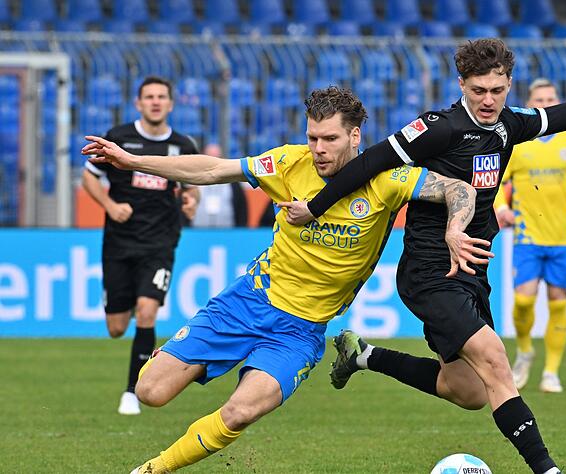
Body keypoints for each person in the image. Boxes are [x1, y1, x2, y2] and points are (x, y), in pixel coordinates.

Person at [278, 38, 566, 473]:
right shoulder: (438, 128)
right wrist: (314, 207)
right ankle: (548, 469)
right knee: (495, 359)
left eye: (497, 91)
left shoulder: (508, 125)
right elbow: (370, 161)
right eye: (478, 90)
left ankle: (364, 356)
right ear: (461, 84)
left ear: (508, 85)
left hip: (472, 270)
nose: (488, 101)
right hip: (430, 271)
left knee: (467, 391)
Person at [82, 86, 484, 474]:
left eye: (329, 138)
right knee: (150, 391)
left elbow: (459, 189)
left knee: (239, 412)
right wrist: (132, 162)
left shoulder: (388, 179)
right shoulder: (290, 163)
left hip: (299, 332)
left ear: (355, 135)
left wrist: (454, 230)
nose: (318, 148)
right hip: (246, 303)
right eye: (312, 137)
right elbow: (212, 168)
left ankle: (152, 470)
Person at [81, 76, 201, 416]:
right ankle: (126, 306)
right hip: (119, 244)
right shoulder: (119, 138)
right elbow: (89, 177)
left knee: (148, 311)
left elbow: (193, 185)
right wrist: (109, 206)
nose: (155, 102)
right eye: (149, 97)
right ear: (138, 103)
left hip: (160, 242)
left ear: (170, 104)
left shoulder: (182, 145)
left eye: (162, 96)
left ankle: (133, 391)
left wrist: (191, 200)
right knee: (116, 327)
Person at [493, 79, 566, 394]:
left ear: (558, 102)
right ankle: (525, 351)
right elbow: (498, 181)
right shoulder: (518, 144)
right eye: (539, 98)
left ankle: (551, 372)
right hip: (528, 236)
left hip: (563, 237)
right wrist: (501, 208)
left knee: (558, 303)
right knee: (524, 301)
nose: (546, 101)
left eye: (551, 97)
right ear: (531, 104)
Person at [191, 143, 248, 228]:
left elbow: (241, 208)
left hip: (228, 233)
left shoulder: (233, 181)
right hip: (196, 231)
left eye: (216, 158)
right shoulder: (193, 181)